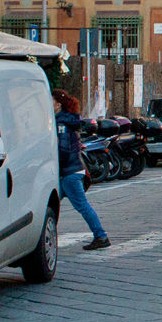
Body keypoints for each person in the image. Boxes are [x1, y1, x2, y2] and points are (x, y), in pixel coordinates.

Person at [53, 92, 111, 251]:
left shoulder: (61, 123)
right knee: (46, 206)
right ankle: (40, 238)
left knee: (82, 206)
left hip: (69, 173)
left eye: (51, 100)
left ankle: (101, 236)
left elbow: (62, 150)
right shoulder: (65, 120)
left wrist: (54, 167)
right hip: (70, 171)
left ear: (58, 104)